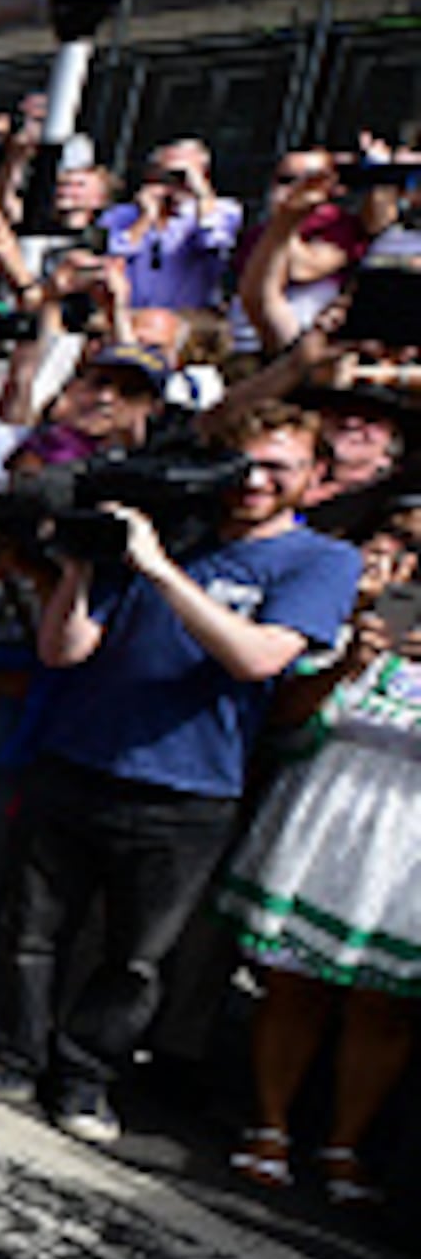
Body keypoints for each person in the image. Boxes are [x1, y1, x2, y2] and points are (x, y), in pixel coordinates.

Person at [0, 407, 360, 1143]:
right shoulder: (177, 525)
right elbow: (65, 651)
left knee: (134, 956)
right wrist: (76, 568)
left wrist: (158, 568)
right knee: (30, 928)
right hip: (79, 755)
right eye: (241, 465)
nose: (253, 482)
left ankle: (86, 1078)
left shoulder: (318, 561)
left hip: (192, 788)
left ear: (316, 479)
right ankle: (12, 1055)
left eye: (276, 468)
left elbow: (257, 658)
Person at [218, 506, 421, 1206]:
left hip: (409, 840)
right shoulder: (352, 622)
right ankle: (269, 1124)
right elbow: (286, 717)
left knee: (383, 1003)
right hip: (329, 817)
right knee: (293, 983)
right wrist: (351, 663)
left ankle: (345, 1141)